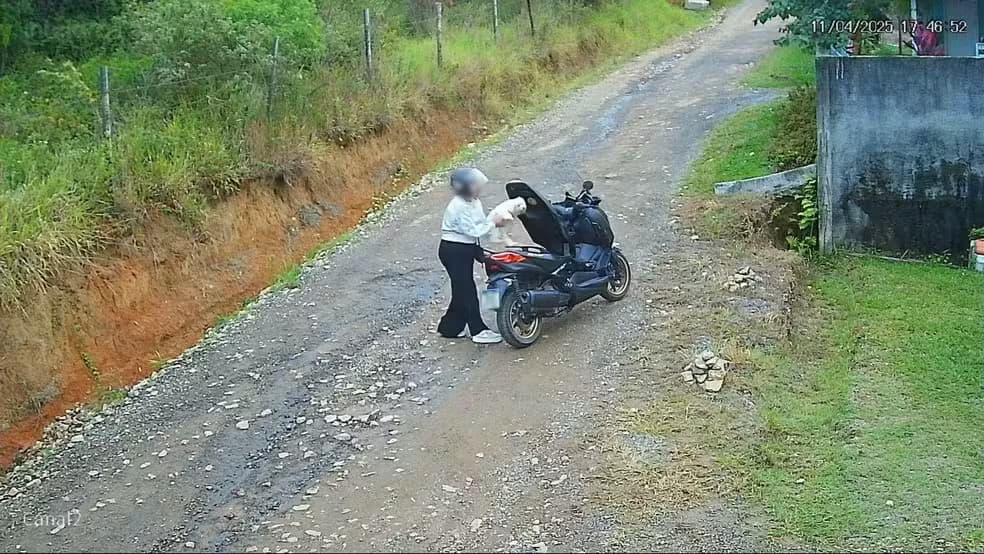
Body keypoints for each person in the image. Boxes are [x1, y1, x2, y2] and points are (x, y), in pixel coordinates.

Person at [437, 168, 504, 344]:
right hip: (453, 250)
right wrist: (493, 223)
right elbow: (474, 229)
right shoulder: (458, 205)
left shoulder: (473, 201)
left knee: (460, 290)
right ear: (464, 187)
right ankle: (478, 330)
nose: (478, 188)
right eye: (474, 185)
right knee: (467, 290)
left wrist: (478, 247)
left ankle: (450, 327)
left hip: (465, 247)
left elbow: (479, 224)